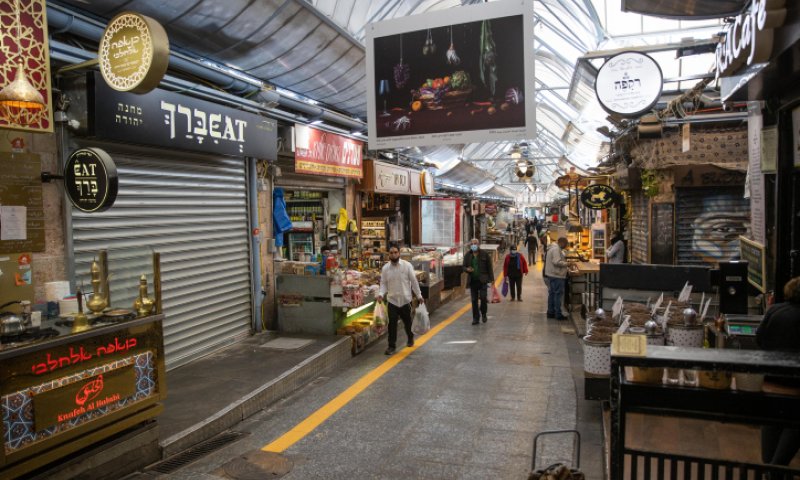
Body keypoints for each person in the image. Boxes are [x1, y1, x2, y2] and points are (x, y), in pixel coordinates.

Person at [756, 276, 800, 468]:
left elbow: (759, 338)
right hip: (796, 383)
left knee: (771, 417)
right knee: (795, 422)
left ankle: (768, 462)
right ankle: (778, 465)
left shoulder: (775, 310)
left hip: (770, 378)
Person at [376, 245, 424, 355]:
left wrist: (419, 296)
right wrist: (380, 294)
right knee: (392, 325)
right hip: (392, 301)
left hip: (405, 300)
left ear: (399, 253)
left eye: (395, 252)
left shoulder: (407, 266)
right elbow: (383, 284)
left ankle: (410, 338)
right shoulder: (385, 269)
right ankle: (391, 346)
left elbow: (414, 282)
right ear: (389, 254)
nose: (393, 254)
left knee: (408, 322)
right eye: (391, 253)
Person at [463, 238, 494, 325]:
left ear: (478, 244)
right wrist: (467, 269)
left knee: (483, 298)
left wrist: (492, 279)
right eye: (472, 243)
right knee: (474, 300)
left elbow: (489, 267)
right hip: (472, 281)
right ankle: (476, 318)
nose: (474, 245)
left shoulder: (484, 254)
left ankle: (483, 313)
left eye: (475, 243)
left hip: (483, 280)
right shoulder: (468, 255)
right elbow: (463, 266)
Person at [544, 237, 569, 320]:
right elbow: (556, 262)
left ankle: (551, 312)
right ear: (562, 243)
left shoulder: (552, 248)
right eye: (565, 245)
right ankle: (558, 314)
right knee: (558, 295)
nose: (565, 247)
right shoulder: (556, 249)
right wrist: (567, 264)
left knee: (552, 294)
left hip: (552, 274)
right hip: (557, 275)